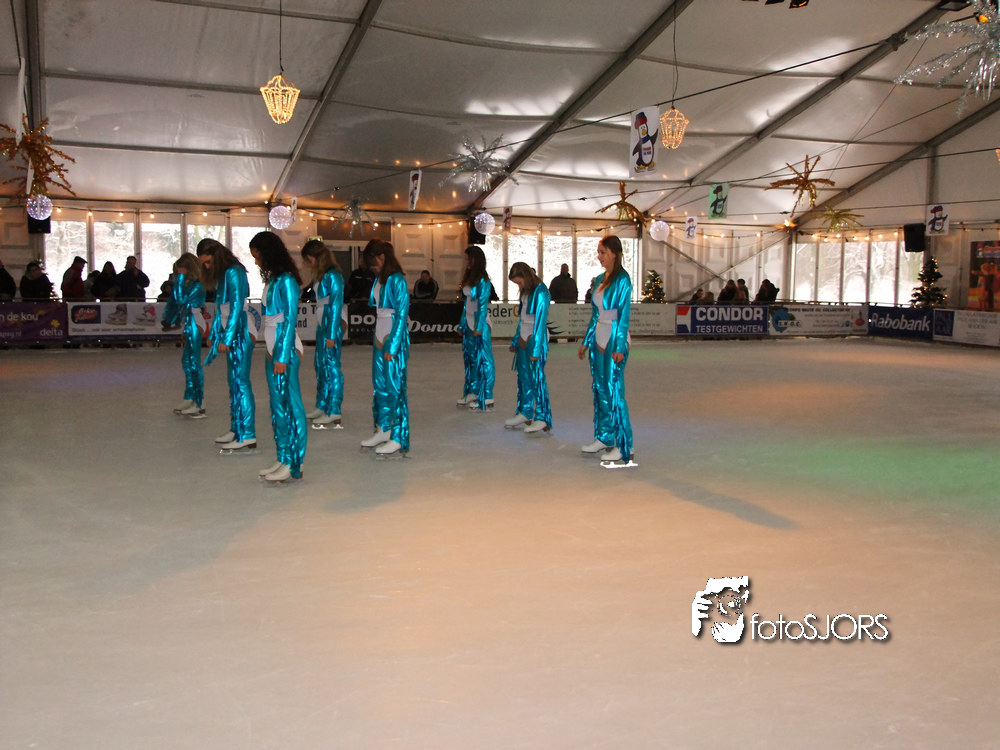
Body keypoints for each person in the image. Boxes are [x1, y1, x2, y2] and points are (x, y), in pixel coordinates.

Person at [250, 232, 308, 483]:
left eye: (258, 256)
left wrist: (282, 356)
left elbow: (289, 320)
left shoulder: (287, 281)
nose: (256, 262)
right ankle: (284, 455)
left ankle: (296, 461)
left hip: (285, 349)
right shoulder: (274, 279)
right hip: (273, 347)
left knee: (291, 406)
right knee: (278, 407)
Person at [577, 235, 634, 465]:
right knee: (600, 389)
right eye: (599, 252)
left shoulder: (623, 280)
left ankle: (624, 444)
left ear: (614, 254)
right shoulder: (600, 279)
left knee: (614, 391)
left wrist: (619, 346)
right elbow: (595, 315)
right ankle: (604, 436)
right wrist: (586, 341)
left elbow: (623, 316)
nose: (599, 256)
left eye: (603, 252)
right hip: (598, 337)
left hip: (615, 337)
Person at [199, 238, 256, 454]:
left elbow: (237, 307)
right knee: (234, 383)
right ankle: (237, 428)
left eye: (208, 262)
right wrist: (216, 334)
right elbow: (221, 309)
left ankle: (247, 433)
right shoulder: (225, 273)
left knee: (240, 383)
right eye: (204, 263)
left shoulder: (234, 272)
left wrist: (227, 338)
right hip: (232, 330)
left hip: (241, 330)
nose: (206, 266)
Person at [359, 239, 410, 455]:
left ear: (382, 257)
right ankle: (383, 428)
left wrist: (394, 345)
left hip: (392, 336)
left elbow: (402, 314)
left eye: (374, 262)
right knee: (379, 385)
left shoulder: (397, 280)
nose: (373, 267)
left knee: (395, 387)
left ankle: (398, 436)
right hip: (380, 333)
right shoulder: (380, 280)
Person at [300, 239, 346, 429]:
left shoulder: (333, 276)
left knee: (331, 365)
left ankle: (334, 409)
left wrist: (331, 334)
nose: (305, 264)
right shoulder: (321, 275)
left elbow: (336, 305)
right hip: (323, 321)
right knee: (320, 364)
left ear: (313, 258)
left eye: (307, 260)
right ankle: (322, 404)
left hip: (331, 322)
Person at [505, 262, 553, 434]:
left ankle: (542, 416)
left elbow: (540, 321)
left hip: (535, 337)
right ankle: (525, 411)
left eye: (519, 282)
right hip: (524, 336)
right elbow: (522, 319)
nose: (519, 286)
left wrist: (536, 349)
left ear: (526, 276)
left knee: (537, 378)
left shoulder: (541, 291)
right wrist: (515, 340)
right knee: (524, 377)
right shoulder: (526, 292)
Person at [162, 253, 207, 418]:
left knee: (193, 362)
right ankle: (190, 397)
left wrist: (180, 278)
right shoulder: (192, 284)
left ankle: (199, 402)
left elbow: (180, 300)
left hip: (194, 321)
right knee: (187, 361)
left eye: (181, 270)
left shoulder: (197, 285)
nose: (178, 273)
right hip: (190, 322)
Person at [456, 245, 496, 410]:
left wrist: (479, 327)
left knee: (484, 360)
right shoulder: (468, 278)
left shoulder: (484, 281)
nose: (465, 262)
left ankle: (487, 395)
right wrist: (462, 324)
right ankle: (472, 390)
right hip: (469, 322)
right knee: (470, 359)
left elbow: (482, 305)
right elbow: (467, 304)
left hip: (481, 324)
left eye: (467, 259)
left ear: (475, 260)